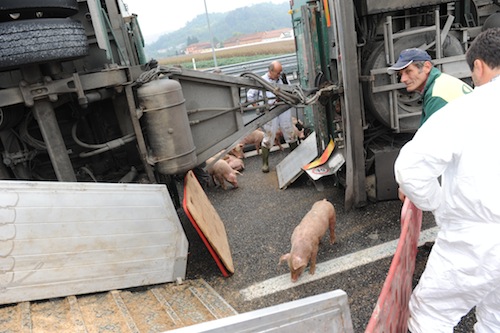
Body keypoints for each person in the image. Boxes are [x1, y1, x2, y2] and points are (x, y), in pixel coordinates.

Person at [394, 28, 500, 332]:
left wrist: (436, 203)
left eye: (407, 72)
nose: (403, 79)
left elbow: (412, 168)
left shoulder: (460, 108)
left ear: (478, 66)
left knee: (429, 316)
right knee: (495, 318)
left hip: (476, 238)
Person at [388, 48, 473, 126]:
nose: (403, 79)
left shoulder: (437, 95)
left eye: (408, 71)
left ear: (427, 67)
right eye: (400, 74)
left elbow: (434, 138)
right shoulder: (441, 82)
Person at [247, 61, 298, 173]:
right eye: (277, 73)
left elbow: (291, 90)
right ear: (270, 71)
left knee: (290, 132)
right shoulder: (261, 80)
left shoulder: (282, 79)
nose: (279, 75)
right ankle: (265, 163)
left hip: (283, 108)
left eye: (280, 72)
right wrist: (257, 107)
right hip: (269, 111)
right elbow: (250, 95)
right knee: (269, 136)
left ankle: (297, 159)